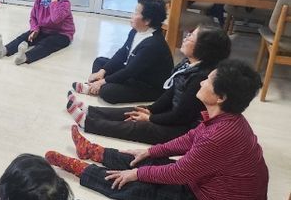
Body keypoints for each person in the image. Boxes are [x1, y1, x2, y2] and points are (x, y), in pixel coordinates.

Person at [46, 59, 268, 200]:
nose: (201, 82)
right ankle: (93, 151)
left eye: (208, 81)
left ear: (221, 97)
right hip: (210, 189)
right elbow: (190, 139)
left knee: (137, 187)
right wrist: (150, 151)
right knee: (145, 160)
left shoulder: (220, 135)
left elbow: (179, 173)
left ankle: (81, 168)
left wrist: (136, 174)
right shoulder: (227, 119)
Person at [67, 25, 231, 144]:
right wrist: (151, 109)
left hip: (184, 128)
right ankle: (90, 111)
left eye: (191, 37)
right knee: (137, 110)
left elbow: (181, 116)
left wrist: (151, 118)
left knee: (140, 127)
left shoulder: (200, 78)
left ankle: (88, 123)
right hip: (174, 113)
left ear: (203, 48)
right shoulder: (188, 63)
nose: (185, 38)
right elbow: (170, 94)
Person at [71, 0, 173, 104]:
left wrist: (103, 82)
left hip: (147, 85)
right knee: (100, 62)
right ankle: (95, 87)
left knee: (108, 91)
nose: (132, 15)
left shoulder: (153, 44)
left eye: (136, 13)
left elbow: (130, 71)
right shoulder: (135, 31)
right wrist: (102, 72)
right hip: (134, 74)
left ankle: (95, 87)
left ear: (147, 20)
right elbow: (123, 53)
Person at [0, 0, 75, 65]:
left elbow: (55, 19)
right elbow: (33, 17)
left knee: (46, 44)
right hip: (43, 30)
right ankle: (4, 50)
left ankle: (25, 57)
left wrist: (54, 0)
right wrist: (35, 29)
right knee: (24, 37)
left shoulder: (64, 3)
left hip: (61, 34)